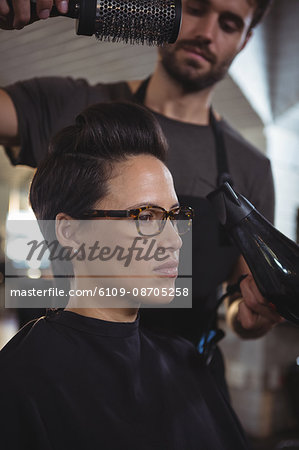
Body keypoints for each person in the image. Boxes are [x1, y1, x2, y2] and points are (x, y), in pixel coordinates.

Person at [0, 0, 281, 391]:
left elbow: (239, 301)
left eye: (229, 24)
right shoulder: (72, 107)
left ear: (245, 39)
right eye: (196, 9)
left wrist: (248, 318)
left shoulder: (251, 168)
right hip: (72, 378)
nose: (206, 32)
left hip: (186, 387)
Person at [0, 102, 248, 450]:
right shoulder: (18, 382)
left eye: (176, 216)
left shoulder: (183, 359)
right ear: (69, 232)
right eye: (146, 217)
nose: (175, 240)